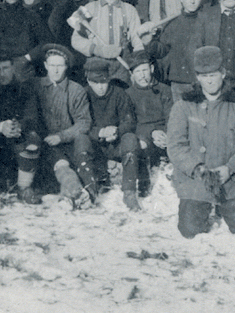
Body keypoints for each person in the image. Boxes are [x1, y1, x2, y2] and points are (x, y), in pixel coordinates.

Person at [167, 46, 235, 238]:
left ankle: (224, 207)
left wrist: (231, 169)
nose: (209, 80)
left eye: (213, 74)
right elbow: (176, 146)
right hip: (197, 180)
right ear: (198, 77)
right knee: (189, 230)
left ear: (223, 73)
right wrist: (196, 169)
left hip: (231, 181)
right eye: (204, 75)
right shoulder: (183, 105)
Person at [0, 55, 47, 204]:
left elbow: (33, 118)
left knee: (33, 139)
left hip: (18, 136)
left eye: (6, 68)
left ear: (13, 68)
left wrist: (19, 125)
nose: (2, 73)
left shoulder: (24, 88)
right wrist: (1, 127)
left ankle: (24, 188)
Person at [37, 45, 94, 207]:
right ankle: (76, 192)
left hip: (68, 144)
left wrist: (61, 136)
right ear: (46, 66)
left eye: (60, 66)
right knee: (60, 165)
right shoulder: (35, 86)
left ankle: (74, 194)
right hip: (44, 146)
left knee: (66, 165)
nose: (55, 70)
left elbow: (84, 123)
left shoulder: (76, 90)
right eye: (52, 65)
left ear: (66, 67)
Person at [69, 0, 144, 82]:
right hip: (96, 65)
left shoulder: (129, 10)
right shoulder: (88, 8)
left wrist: (138, 65)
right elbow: (76, 40)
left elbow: (137, 40)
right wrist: (96, 49)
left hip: (122, 66)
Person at [83, 58, 140, 209]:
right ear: (89, 81)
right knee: (81, 140)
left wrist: (117, 131)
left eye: (104, 82)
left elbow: (129, 120)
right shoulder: (83, 95)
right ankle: (91, 189)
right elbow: (81, 124)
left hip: (116, 142)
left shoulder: (119, 94)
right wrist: (100, 133)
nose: (100, 87)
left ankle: (129, 192)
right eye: (96, 83)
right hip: (96, 145)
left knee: (130, 139)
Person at [147, 0, 210, 100]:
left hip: (203, 81)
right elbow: (161, 51)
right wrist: (149, 41)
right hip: (178, 82)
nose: (192, 1)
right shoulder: (172, 23)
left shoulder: (208, 21)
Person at [126, 53, 169, 198]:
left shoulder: (164, 90)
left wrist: (164, 133)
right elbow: (130, 124)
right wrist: (152, 133)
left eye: (144, 70)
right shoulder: (129, 94)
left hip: (164, 134)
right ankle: (144, 184)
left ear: (151, 69)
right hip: (143, 134)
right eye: (137, 72)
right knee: (141, 145)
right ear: (132, 74)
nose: (142, 76)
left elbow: (172, 118)